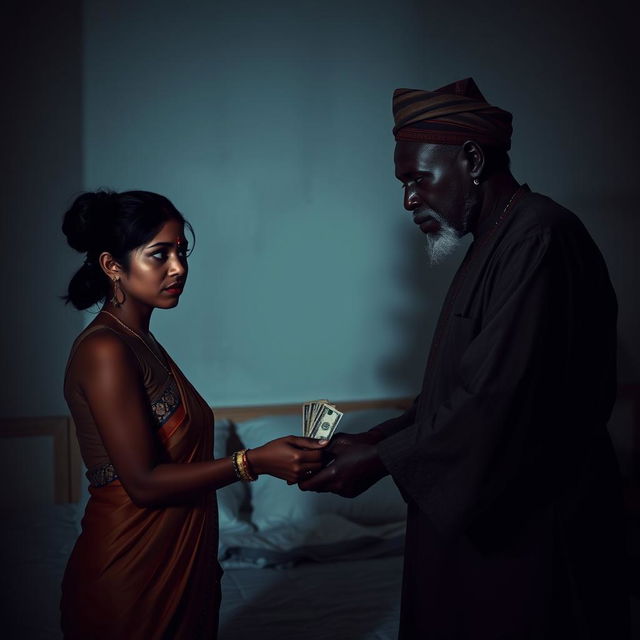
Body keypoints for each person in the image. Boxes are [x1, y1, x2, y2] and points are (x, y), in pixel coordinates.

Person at [300, 78, 629, 638]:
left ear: (472, 159)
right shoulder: (494, 240)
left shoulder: (539, 238)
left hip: (532, 529)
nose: (408, 200)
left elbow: (498, 401)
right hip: (496, 522)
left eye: (416, 179)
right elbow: (458, 391)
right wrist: (376, 441)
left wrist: (382, 461)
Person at [60, 190, 327, 639]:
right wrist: (252, 462)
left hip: (179, 567)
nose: (179, 267)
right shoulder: (105, 349)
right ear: (112, 266)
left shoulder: (141, 341)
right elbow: (143, 484)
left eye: (181, 251)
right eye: (159, 254)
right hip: (130, 577)